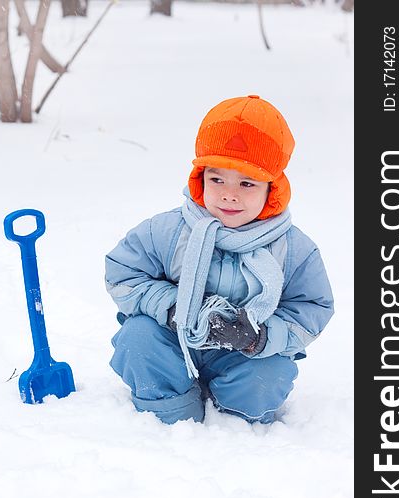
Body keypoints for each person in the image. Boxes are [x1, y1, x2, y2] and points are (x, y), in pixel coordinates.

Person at [105, 95, 334, 425]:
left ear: (272, 188)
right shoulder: (169, 230)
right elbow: (123, 272)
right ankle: (172, 415)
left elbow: (313, 307)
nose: (229, 194)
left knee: (266, 378)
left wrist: (259, 337)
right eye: (217, 179)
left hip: (243, 356)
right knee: (138, 340)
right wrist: (173, 309)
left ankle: (235, 423)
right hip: (175, 342)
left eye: (246, 183)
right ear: (200, 179)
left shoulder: (293, 249)